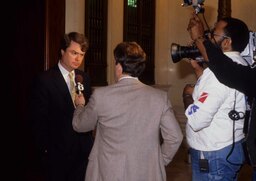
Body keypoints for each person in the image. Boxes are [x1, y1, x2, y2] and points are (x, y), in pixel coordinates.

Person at [72, 41, 183, 181]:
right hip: (147, 173)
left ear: (119, 66)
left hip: (108, 172)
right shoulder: (159, 98)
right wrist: (160, 160)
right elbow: (175, 137)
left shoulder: (101, 95)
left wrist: (80, 106)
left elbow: (80, 125)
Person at [187, 13, 256, 181]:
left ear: (226, 42)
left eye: (213, 34)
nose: (210, 38)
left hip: (213, 155)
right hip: (225, 149)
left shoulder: (221, 73)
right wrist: (199, 72)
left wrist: (187, 98)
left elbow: (197, 120)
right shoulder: (243, 65)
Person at [29, 32, 94, 181]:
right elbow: (38, 120)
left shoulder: (84, 78)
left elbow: (88, 114)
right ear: (62, 51)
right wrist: (45, 151)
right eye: (74, 53)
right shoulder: (44, 79)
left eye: (82, 54)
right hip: (57, 155)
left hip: (83, 154)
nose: (78, 58)